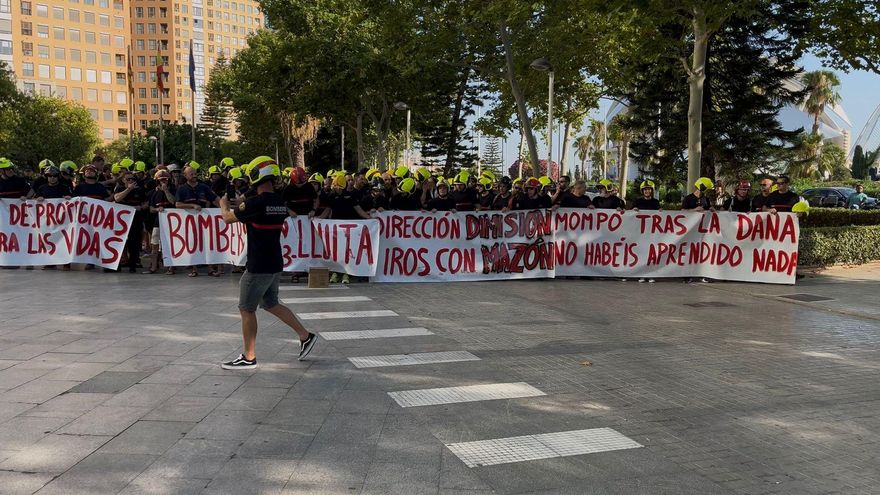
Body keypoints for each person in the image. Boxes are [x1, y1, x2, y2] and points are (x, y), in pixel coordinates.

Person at [218, 157, 317, 369]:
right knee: (271, 303)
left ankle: (249, 356)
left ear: (256, 176)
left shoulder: (255, 203)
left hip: (258, 265)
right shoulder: (279, 203)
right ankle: (304, 335)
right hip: (274, 262)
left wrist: (223, 204)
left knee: (246, 309)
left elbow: (227, 218)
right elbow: (251, 210)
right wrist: (241, 204)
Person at [175, 165, 219, 276]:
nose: (194, 176)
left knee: (208, 243)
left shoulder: (204, 187)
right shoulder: (181, 189)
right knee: (193, 244)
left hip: (205, 221)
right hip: (189, 222)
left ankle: (211, 269)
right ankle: (194, 269)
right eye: (191, 174)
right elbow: (178, 204)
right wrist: (192, 206)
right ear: (185, 176)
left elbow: (214, 200)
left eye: (195, 173)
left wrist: (224, 208)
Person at [114, 171, 149, 273]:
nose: (131, 181)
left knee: (134, 243)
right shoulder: (120, 189)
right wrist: (128, 189)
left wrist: (141, 207)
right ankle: (118, 264)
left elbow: (146, 203)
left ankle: (133, 264)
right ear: (123, 180)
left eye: (132, 179)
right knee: (120, 243)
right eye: (128, 179)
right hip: (122, 222)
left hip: (136, 220)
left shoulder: (140, 190)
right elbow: (117, 198)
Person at [145, 169, 177, 274]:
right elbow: (150, 208)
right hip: (158, 222)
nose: (164, 182)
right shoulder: (153, 193)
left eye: (165, 180)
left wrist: (166, 190)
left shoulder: (173, 189)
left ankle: (171, 267)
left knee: (170, 244)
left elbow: (173, 201)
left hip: (171, 222)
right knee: (154, 244)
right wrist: (157, 209)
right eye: (161, 180)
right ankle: (153, 267)